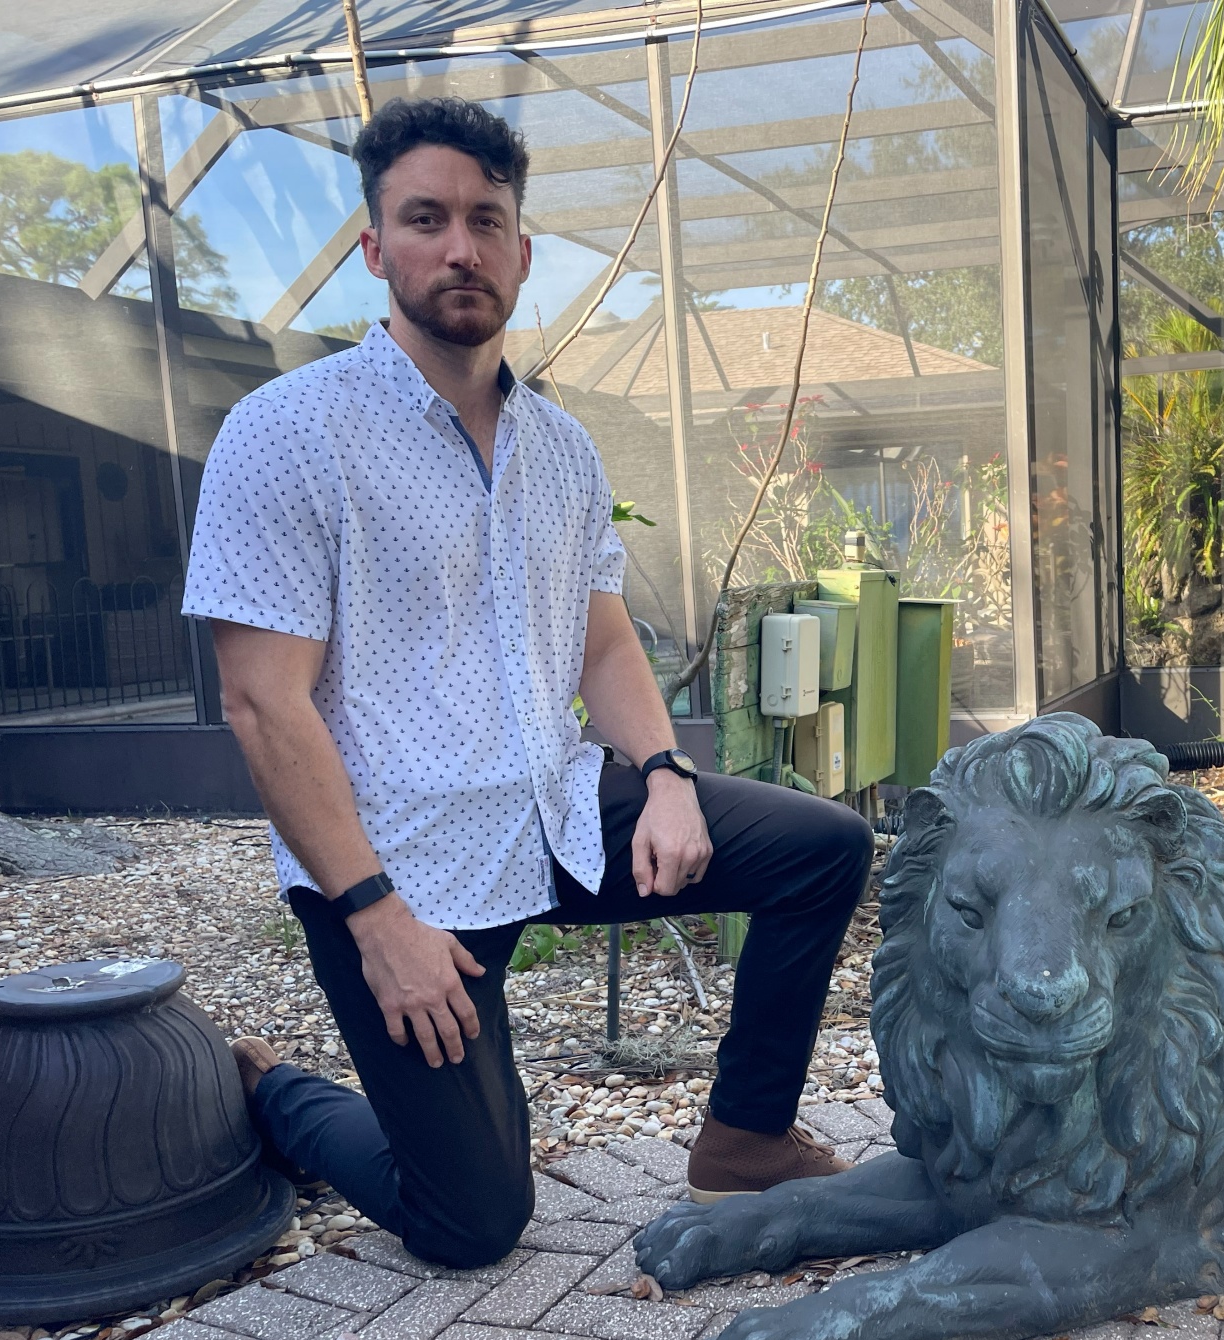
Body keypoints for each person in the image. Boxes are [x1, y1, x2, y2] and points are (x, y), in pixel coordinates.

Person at [182, 96, 873, 1271]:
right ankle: (275, 1091)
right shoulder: (288, 432)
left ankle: (745, 1138)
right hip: (401, 864)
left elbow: (601, 642)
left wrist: (663, 775)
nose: (460, 245)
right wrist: (373, 917)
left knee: (823, 846)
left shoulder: (563, 447)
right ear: (375, 250)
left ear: (521, 251)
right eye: (426, 218)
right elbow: (264, 703)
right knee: (471, 1223)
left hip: (550, 812)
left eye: (485, 220)